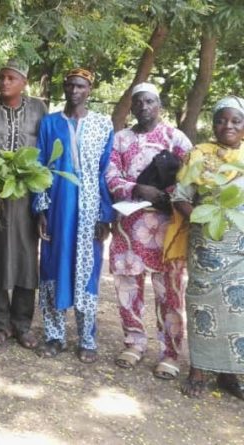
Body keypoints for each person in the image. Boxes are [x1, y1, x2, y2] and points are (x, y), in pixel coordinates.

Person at [105, 82, 191, 378]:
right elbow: (111, 176)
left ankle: (170, 353)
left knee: (169, 292)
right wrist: (136, 188)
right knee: (128, 288)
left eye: (150, 102)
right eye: (138, 102)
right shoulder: (120, 139)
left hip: (167, 228)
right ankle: (134, 343)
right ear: (132, 106)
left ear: (159, 105)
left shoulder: (175, 137)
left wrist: (169, 195)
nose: (144, 107)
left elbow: (191, 177)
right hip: (129, 227)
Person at [33, 68, 114, 363]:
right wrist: (40, 208)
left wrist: (105, 215)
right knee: (53, 266)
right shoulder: (50, 122)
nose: (74, 90)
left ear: (89, 90)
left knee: (87, 271)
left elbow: (106, 171)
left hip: (89, 208)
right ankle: (55, 336)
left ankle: (87, 338)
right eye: (69, 85)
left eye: (80, 86)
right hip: (56, 207)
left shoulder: (102, 126)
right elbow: (40, 166)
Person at [0, 59, 47, 349]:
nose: (4, 82)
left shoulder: (39, 109)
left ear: (24, 82)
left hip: (26, 197)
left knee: (27, 260)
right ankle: (0, 325)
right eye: (1, 77)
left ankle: (23, 325)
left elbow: (43, 152)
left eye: (11, 78)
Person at [175, 96, 244, 400]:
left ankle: (230, 371)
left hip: (240, 244)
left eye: (235, 121)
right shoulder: (199, 155)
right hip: (208, 244)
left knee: (238, 309)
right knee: (203, 305)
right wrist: (202, 220)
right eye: (221, 119)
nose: (227, 125)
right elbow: (180, 197)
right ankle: (199, 369)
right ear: (213, 123)